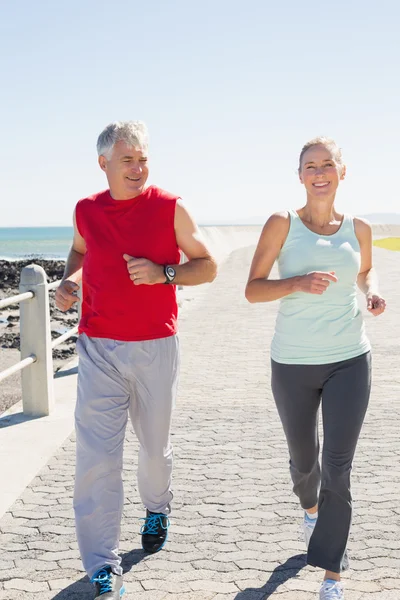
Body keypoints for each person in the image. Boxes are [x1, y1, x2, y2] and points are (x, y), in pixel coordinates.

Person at [55, 120, 217, 599]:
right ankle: (102, 563)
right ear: (103, 163)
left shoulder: (170, 207)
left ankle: (157, 507)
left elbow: (207, 267)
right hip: (97, 345)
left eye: (143, 158)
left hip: (155, 346)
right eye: (128, 159)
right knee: (97, 457)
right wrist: (70, 282)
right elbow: (80, 250)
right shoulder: (86, 210)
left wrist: (164, 272)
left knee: (152, 448)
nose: (138, 167)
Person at [245, 137, 386, 600]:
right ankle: (310, 506)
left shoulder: (360, 227)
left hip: (350, 358)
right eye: (311, 166)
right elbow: (253, 289)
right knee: (306, 464)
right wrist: (298, 283)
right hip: (293, 363)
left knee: (338, 468)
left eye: (328, 164)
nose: (320, 172)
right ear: (300, 175)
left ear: (342, 172)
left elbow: (365, 271)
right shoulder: (281, 224)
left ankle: (332, 574)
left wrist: (370, 291)